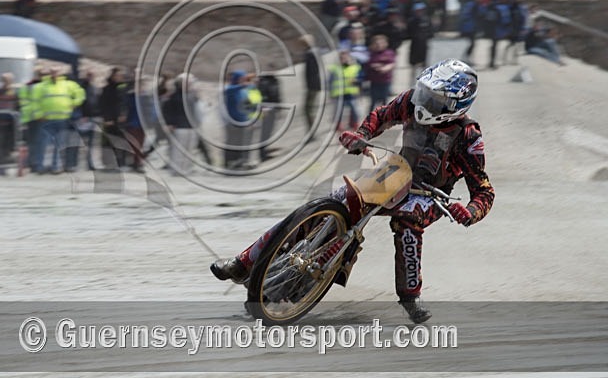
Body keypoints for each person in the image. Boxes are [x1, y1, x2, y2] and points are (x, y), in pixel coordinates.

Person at [211, 58, 494, 323]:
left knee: (408, 222)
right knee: (335, 201)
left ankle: (411, 297)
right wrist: (361, 135)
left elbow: (484, 191)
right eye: (425, 92)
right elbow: (382, 115)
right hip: (396, 171)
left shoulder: (469, 136)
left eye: (434, 99)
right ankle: (243, 262)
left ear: (455, 105)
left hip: (431, 194)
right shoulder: (412, 100)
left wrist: (469, 212)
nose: (423, 101)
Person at [328, 50, 363, 132]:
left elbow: (361, 79)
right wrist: (330, 93)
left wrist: (357, 82)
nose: (343, 59)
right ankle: (338, 125)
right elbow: (330, 82)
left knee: (355, 110)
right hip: (338, 94)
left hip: (351, 93)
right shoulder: (334, 69)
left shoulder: (356, 67)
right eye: (341, 58)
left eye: (345, 58)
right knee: (338, 112)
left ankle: (355, 124)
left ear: (349, 58)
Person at [365, 34, 396, 111]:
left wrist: (383, 68)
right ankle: (371, 115)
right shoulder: (371, 53)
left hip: (385, 81)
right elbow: (368, 64)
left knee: (384, 100)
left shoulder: (389, 53)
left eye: (381, 43)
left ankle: (384, 115)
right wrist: (374, 66)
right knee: (373, 100)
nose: (379, 45)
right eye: (376, 44)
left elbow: (391, 64)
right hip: (374, 81)